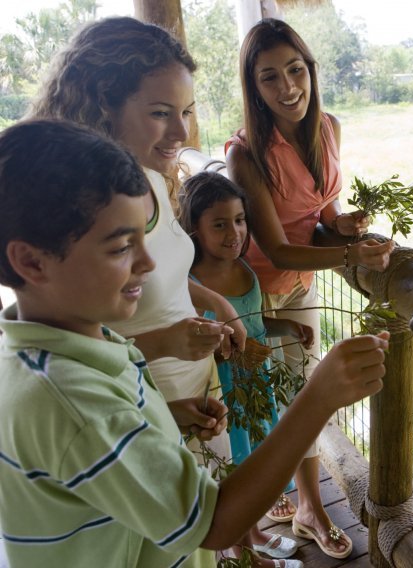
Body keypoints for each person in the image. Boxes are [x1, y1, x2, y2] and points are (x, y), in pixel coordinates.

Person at [0, 119, 387, 568]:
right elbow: (214, 522)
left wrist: (164, 416)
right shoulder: (75, 407)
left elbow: (105, 431)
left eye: (143, 239)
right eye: (120, 247)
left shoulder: (58, 346)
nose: (147, 263)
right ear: (31, 261)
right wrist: (318, 397)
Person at [26, 16, 291, 564]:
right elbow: (76, 352)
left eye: (187, 112)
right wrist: (167, 350)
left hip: (178, 394)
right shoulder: (91, 211)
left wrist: (213, 302)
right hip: (138, 400)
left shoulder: (145, 178)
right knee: (178, 530)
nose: (182, 134)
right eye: (159, 113)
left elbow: (166, 272)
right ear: (102, 105)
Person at [226, 18, 393, 559]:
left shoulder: (329, 128)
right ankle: (283, 513)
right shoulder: (245, 154)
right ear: (255, 88)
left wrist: (340, 226)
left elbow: (320, 212)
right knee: (269, 399)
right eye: (270, 78)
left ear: (310, 70)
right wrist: (348, 254)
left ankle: (302, 506)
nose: (288, 87)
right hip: (256, 291)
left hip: (303, 281)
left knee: (301, 391)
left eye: (295, 70)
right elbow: (275, 248)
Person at [179, 170, 315, 560]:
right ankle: (242, 554)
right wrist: (229, 351)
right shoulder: (190, 282)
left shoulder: (244, 271)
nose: (233, 232)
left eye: (239, 221)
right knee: (235, 468)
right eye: (219, 224)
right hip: (223, 393)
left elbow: (252, 324)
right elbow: (196, 342)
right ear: (194, 229)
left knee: (255, 462)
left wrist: (287, 325)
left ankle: (252, 533)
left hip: (256, 389)